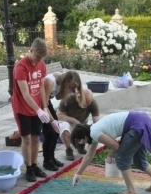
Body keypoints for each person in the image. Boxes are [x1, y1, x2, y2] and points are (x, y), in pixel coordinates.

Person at [71, 111, 151, 194]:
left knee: (121, 158)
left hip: (137, 125)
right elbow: (89, 156)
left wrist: (110, 155)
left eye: (79, 141)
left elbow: (116, 146)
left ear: (83, 137)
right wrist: (78, 174)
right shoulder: (94, 130)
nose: (80, 143)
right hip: (142, 120)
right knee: (140, 161)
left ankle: (131, 192)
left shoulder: (94, 133)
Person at [11, 38, 51, 182]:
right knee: (26, 138)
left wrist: (44, 107)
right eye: (37, 56)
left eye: (41, 58)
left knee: (36, 137)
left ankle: (34, 165)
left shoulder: (41, 65)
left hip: (36, 107)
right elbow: (25, 94)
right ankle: (28, 168)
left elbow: (41, 87)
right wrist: (38, 110)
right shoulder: (20, 67)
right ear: (31, 50)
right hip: (22, 108)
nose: (38, 60)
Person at [40, 70, 81, 170]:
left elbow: (58, 97)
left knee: (56, 131)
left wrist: (66, 92)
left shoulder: (61, 83)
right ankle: (47, 161)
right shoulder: (51, 82)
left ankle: (52, 158)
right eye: (71, 87)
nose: (71, 90)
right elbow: (43, 104)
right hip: (41, 105)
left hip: (47, 103)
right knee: (49, 133)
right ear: (67, 81)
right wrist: (52, 120)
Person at [57, 80, 101, 161]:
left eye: (88, 104)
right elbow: (59, 116)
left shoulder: (92, 102)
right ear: (78, 97)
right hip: (67, 121)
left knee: (89, 129)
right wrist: (74, 121)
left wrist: (96, 134)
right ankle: (68, 149)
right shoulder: (68, 99)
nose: (86, 106)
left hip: (82, 123)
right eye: (84, 103)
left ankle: (80, 145)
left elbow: (96, 121)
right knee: (64, 130)